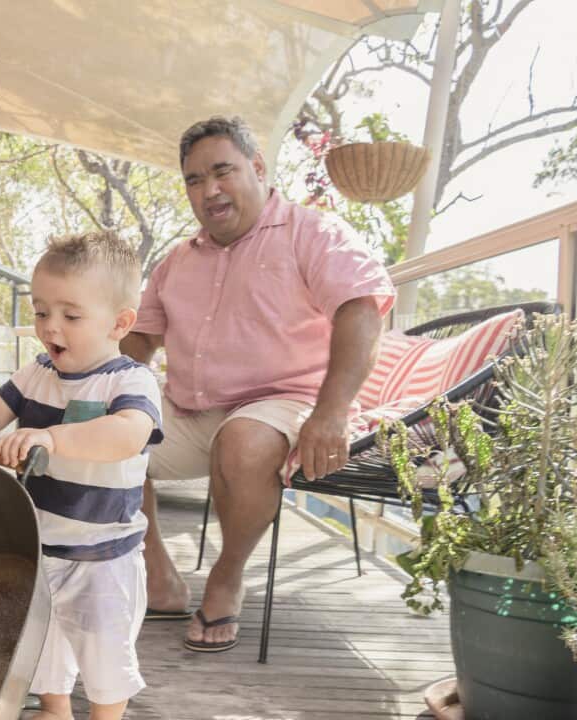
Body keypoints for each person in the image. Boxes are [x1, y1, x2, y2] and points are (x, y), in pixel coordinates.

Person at [122, 116, 393, 653]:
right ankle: (160, 576)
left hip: (281, 404)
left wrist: (332, 412)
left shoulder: (312, 232)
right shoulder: (177, 260)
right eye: (194, 181)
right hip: (192, 410)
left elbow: (361, 309)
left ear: (259, 168)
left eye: (222, 172)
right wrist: (88, 394)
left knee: (242, 442)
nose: (209, 190)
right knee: (103, 436)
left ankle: (227, 575)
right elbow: (139, 341)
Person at [0, 231, 163, 720]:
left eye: (71, 315)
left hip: (104, 555)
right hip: (41, 545)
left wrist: (53, 439)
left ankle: (105, 716)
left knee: (103, 650)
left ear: (119, 323)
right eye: (41, 312)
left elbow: (128, 434)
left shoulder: (128, 381)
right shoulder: (38, 372)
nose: (49, 326)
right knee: (43, 641)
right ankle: (55, 709)